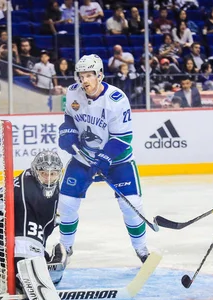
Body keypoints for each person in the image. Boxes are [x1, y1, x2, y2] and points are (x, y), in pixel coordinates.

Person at [58, 54, 150, 263]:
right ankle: (65, 248)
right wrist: (68, 132)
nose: (85, 81)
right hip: (84, 159)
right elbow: (69, 118)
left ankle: (142, 249)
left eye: (89, 75)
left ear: (100, 75)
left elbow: (123, 138)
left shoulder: (116, 100)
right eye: (81, 76)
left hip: (118, 161)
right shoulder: (73, 93)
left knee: (132, 205)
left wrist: (104, 158)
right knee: (66, 203)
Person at [0, 151, 64, 293]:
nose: (48, 178)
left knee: (36, 259)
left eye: (53, 173)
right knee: (24, 269)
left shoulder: (37, 184)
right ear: (36, 172)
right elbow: (24, 243)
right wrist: (27, 280)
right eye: (44, 173)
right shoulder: (27, 194)